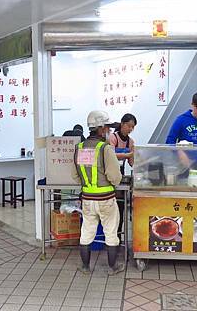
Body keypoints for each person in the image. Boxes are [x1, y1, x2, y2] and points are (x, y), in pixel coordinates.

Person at [72, 110, 124, 275]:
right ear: (101, 129)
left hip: (87, 199)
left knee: (86, 232)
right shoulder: (105, 148)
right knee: (110, 232)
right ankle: (113, 267)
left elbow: (75, 176)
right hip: (106, 199)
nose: (109, 131)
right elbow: (115, 177)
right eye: (107, 128)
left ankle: (86, 267)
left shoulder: (79, 148)